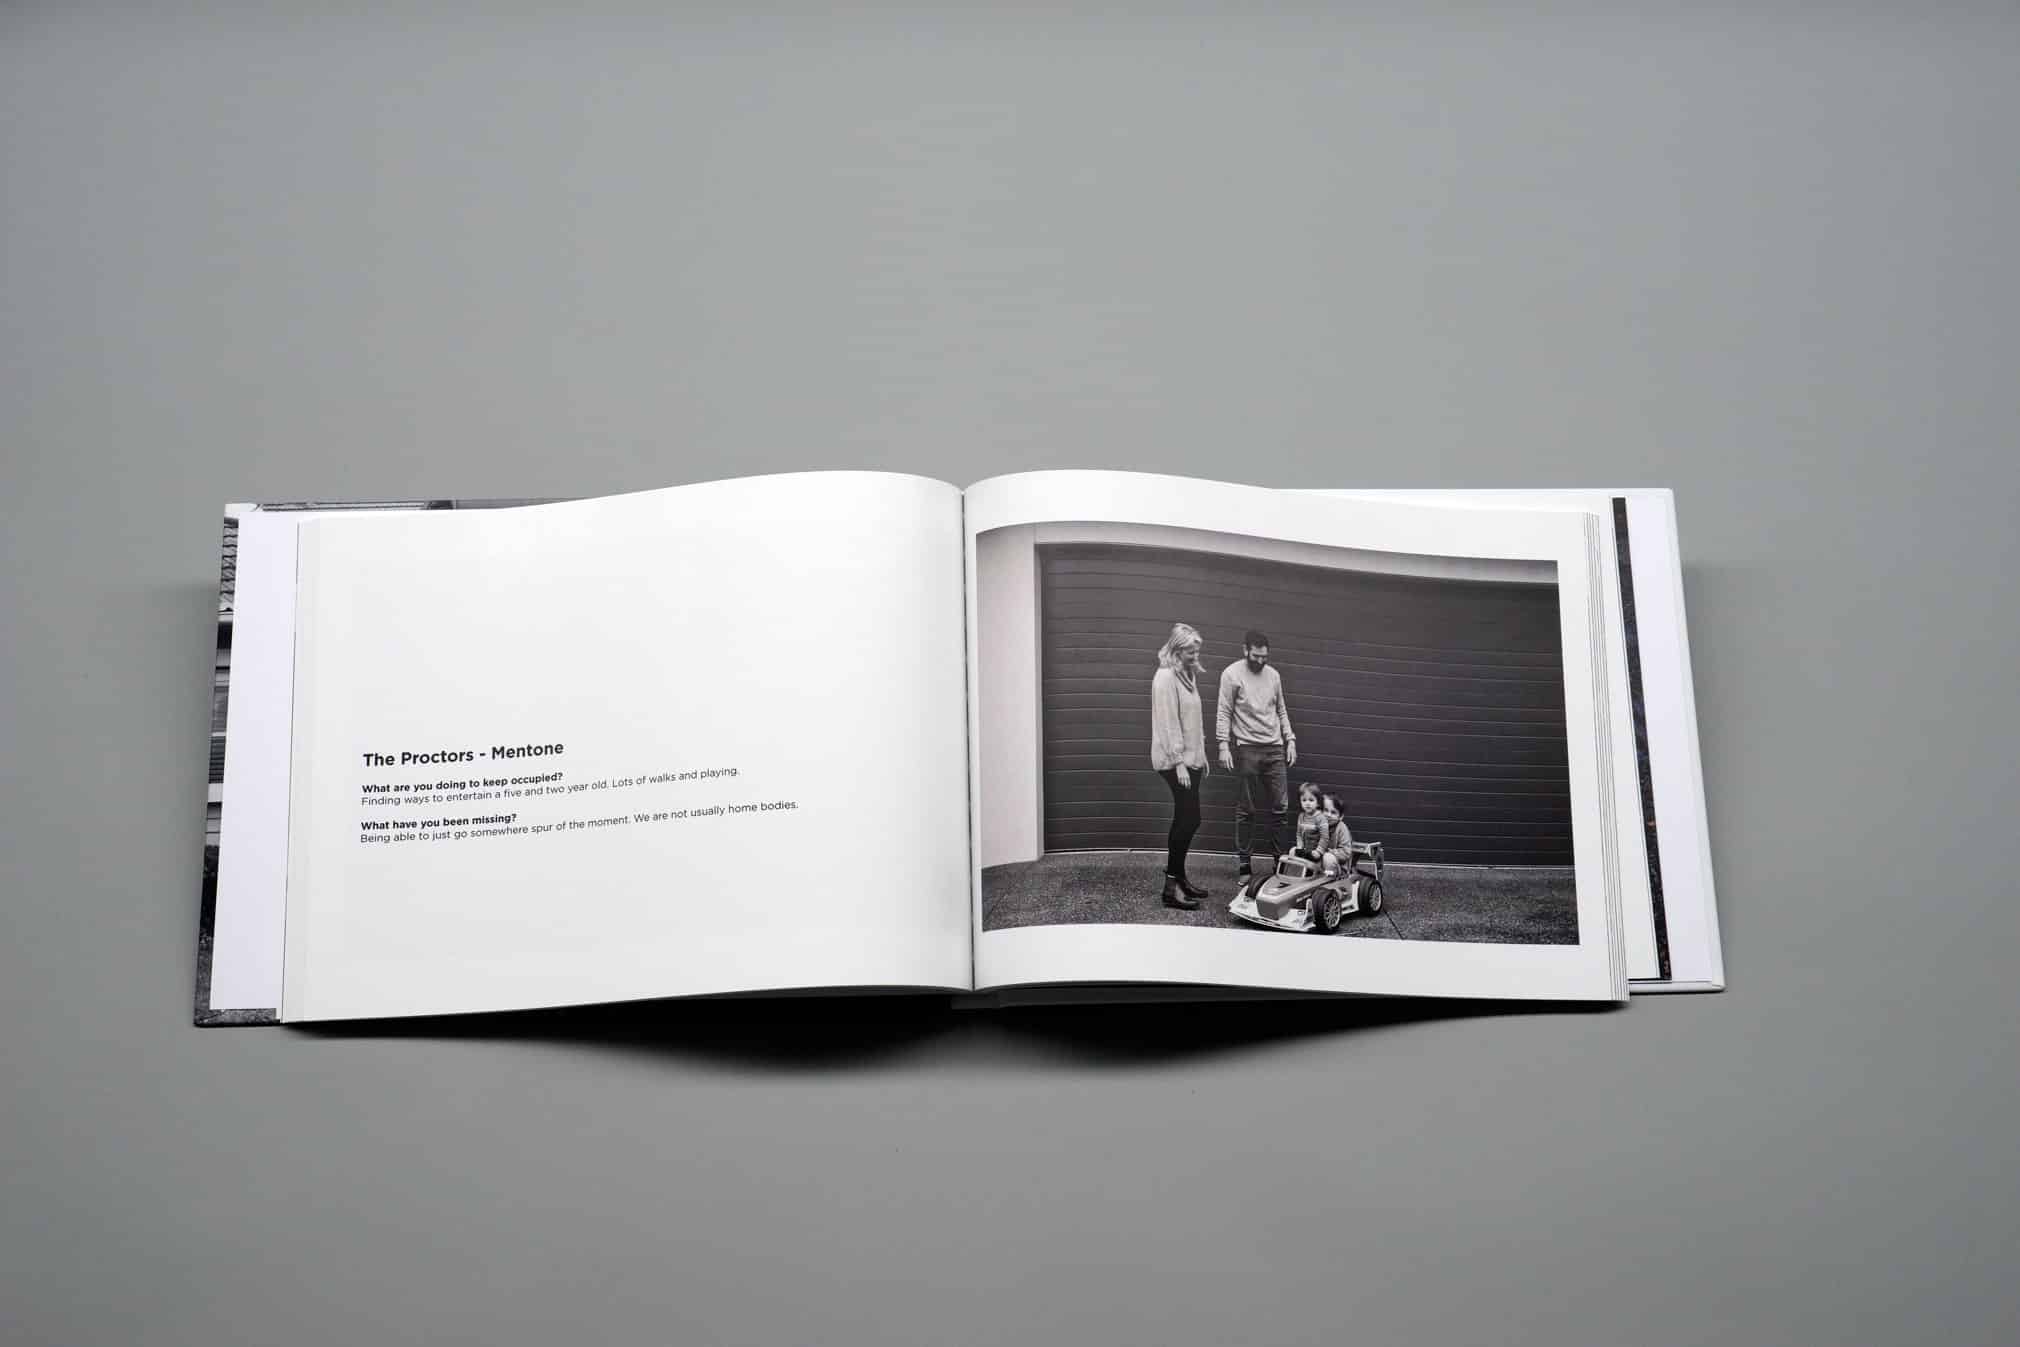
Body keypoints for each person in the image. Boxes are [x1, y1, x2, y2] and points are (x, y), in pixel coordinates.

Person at [1217, 628, 1297, 891]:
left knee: (1280, 809)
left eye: (1264, 657)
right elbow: (1224, 711)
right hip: (1247, 749)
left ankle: (1279, 864)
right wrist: (1223, 745)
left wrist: (1290, 739)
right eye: (1256, 656)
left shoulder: (1273, 675)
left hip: (1275, 748)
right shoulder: (1231, 674)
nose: (1260, 661)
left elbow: (1281, 709)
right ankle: (1244, 865)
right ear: (1245, 650)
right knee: (1247, 810)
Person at [1150, 622, 1211, 909]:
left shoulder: (1186, 673)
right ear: (1176, 650)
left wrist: (1202, 755)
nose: (1195, 656)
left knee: (1187, 818)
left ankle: (1179, 879)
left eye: (1197, 651)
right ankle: (1170, 888)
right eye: (1190, 652)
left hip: (1190, 758)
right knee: (1188, 819)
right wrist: (1179, 763)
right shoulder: (1165, 677)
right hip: (1174, 761)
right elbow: (1168, 723)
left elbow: (1193, 720)